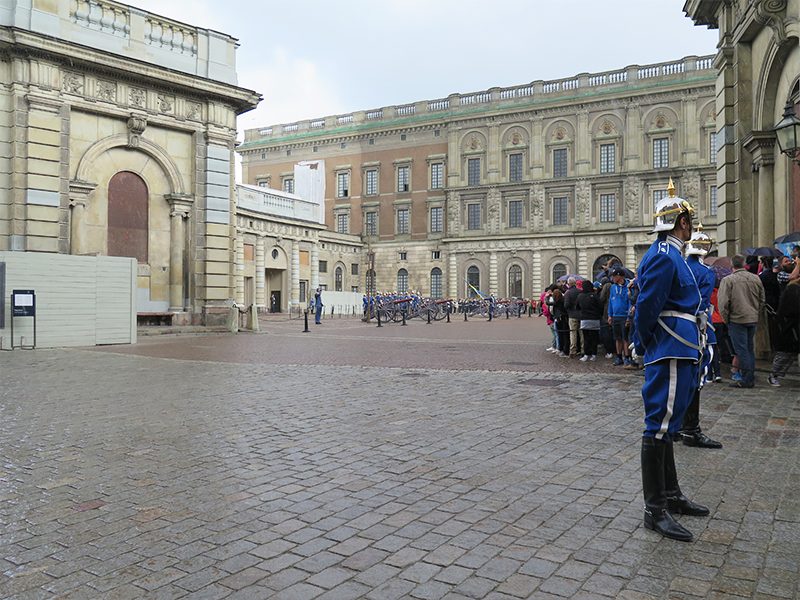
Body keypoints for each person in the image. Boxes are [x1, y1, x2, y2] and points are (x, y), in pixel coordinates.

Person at [633, 186, 708, 542]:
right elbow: (649, 304)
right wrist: (643, 342)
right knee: (659, 427)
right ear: (681, 222)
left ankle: (671, 495)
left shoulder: (671, 252)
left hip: (679, 343)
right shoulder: (665, 254)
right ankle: (655, 509)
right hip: (670, 344)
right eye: (689, 221)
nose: (691, 227)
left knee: (669, 426)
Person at [679, 230, 722, 449]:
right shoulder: (706, 272)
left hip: (672, 328)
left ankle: (676, 425)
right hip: (695, 327)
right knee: (697, 376)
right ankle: (691, 430)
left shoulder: (678, 265)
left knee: (677, 376)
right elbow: (701, 303)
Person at [718, 254, 765, 388]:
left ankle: (747, 379)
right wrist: (755, 313)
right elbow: (762, 300)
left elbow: (723, 303)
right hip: (751, 318)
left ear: (731, 266)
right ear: (744, 265)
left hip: (737, 319)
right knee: (749, 349)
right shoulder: (755, 278)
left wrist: (726, 319)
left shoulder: (728, 280)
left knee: (742, 350)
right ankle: (749, 376)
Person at [769, 278, 800, 386]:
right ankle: (773, 375)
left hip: (793, 327)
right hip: (790, 328)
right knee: (786, 354)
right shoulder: (793, 289)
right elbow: (795, 309)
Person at [608, 268, 631, 366]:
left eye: (614, 276)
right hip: (615, 316)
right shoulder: (613, 287)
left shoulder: (628, 287)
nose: (612, 278)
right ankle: (618, 357)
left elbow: (630, 302)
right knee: (617, 338)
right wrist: (609, 315)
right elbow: (610, 301)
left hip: (624, 316)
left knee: (625, 338)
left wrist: (629, 317)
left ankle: (627, 357)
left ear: (619, 276)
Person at [577, 279, 602, 361]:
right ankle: (594, 354)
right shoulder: (594, 295)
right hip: (594, 319)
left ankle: (586, 354)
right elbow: (600, 306)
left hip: (584, 319)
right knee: (594, 338)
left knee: (586, 338)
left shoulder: (580, 296)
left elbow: (577, 307)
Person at [563, 277, 583, 357]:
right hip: (581, 314)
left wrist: (568, 309)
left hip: (572, 315)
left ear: (568, 284)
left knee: (573, 333)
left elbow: (566, 305)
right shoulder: (580, 291)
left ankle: (573, 351)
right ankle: (583, 350)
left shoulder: (568, 293)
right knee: (582, 333)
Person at [547, 288, 569, 357]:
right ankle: (565, 350)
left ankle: (562, 349)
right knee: (565, 335)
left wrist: (547, 297)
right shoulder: (563, 300)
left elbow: (548, 303)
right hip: (564, 318)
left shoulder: (557, 302)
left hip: (559, 319)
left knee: (560, 335)